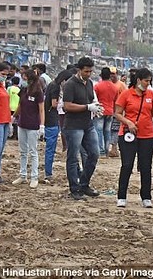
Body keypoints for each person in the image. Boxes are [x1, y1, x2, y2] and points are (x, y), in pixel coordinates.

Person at [114, 68, 153, 208]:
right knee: (127, 165)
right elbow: (117, 113)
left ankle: (146, 197)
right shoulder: (127, 94)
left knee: (146, 166)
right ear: (139, 80)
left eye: (150, 81)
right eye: (146, 80)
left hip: (147, 135)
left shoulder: (151, 94)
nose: (148, 83)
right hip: (128, 134)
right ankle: (121, 196)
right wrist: (128, 122)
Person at [62, 56, 102, 200]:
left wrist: (95, 108)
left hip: (88, 124)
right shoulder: (70, 84)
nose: (88, 74)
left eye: (91, 71)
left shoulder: (89, 83)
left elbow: (91, 99)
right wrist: (87, 107)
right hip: (73, 126)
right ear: (79, 70)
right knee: (73, 157)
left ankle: (84, 183)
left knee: (94, 154)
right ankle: (74, 188)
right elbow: (67, 106)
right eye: (86, 71)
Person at [12, 69, 45, 188]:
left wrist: (42, 125)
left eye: (24, 78)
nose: (23, 80)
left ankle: (34, 177)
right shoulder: (23, 90)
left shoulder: (38, 92)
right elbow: (20, 105)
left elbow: (41, 109)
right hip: (22, 123)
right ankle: (22, 175)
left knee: (33, 151)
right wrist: (13, 117)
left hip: (33, 125)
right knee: (23, 151)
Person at [42, 69, 70, 184]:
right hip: (52, 119)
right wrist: (65, 104)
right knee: (50, 149)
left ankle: (48, 172)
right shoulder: (56, 87)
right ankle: (48, 173)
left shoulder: (51, 85)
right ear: (64, 80)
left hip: (50, 119)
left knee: (50, 148)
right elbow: (54, 104)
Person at [93, 67, 118, 157]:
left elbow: (94, 99)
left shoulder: (97, 86)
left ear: (101, 75)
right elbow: (116, 101)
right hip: (110, 111)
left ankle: (101, 150)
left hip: (100, 111)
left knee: (99, 131)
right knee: (107, 131)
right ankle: (107, 150)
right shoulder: (114, 87)